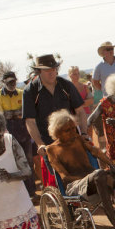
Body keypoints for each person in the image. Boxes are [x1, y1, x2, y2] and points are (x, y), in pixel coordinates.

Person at [47, 109, 115, 229]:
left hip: (98, 179)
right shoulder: (52, 149)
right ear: (58, 132)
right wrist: (90, 177)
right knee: (99, 174)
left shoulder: (78, 139)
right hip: (76, 187)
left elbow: (96, 152)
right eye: (68, 130)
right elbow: (65, 178)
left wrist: (112, 166)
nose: (73, 132)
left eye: (73, 128)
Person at [22, 54, 86, 187]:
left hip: (72, 139)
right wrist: (40, 144)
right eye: (47, 70)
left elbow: (80, 111)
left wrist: (84, 133)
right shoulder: (30, 91)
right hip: (49, 144)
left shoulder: (66, 86)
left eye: (54, 69)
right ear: (39, 71)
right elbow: (30, 121)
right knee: (60, 181)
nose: (52, 73)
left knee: (83, 174)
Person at [0, 71, 37, 197]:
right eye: (9, 82)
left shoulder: (22, 93)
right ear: (3, 82)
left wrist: (11, 114)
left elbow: (26, 112)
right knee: (13, 162)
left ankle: (31, 191)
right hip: (8, 134)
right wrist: (16, 114)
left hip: (24, 131)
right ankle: (20, 194)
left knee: (28, 161)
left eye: (14, 81)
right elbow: (0, 117)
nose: (12, 84)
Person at [92, 42, 115, 149]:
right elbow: (95, 82)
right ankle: (113, 147)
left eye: (112, 48)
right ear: (103, 52)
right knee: (111, 124)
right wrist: (104, 90)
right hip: (108, 100)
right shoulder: (99, 67)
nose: (111, 51)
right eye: (108, 49)